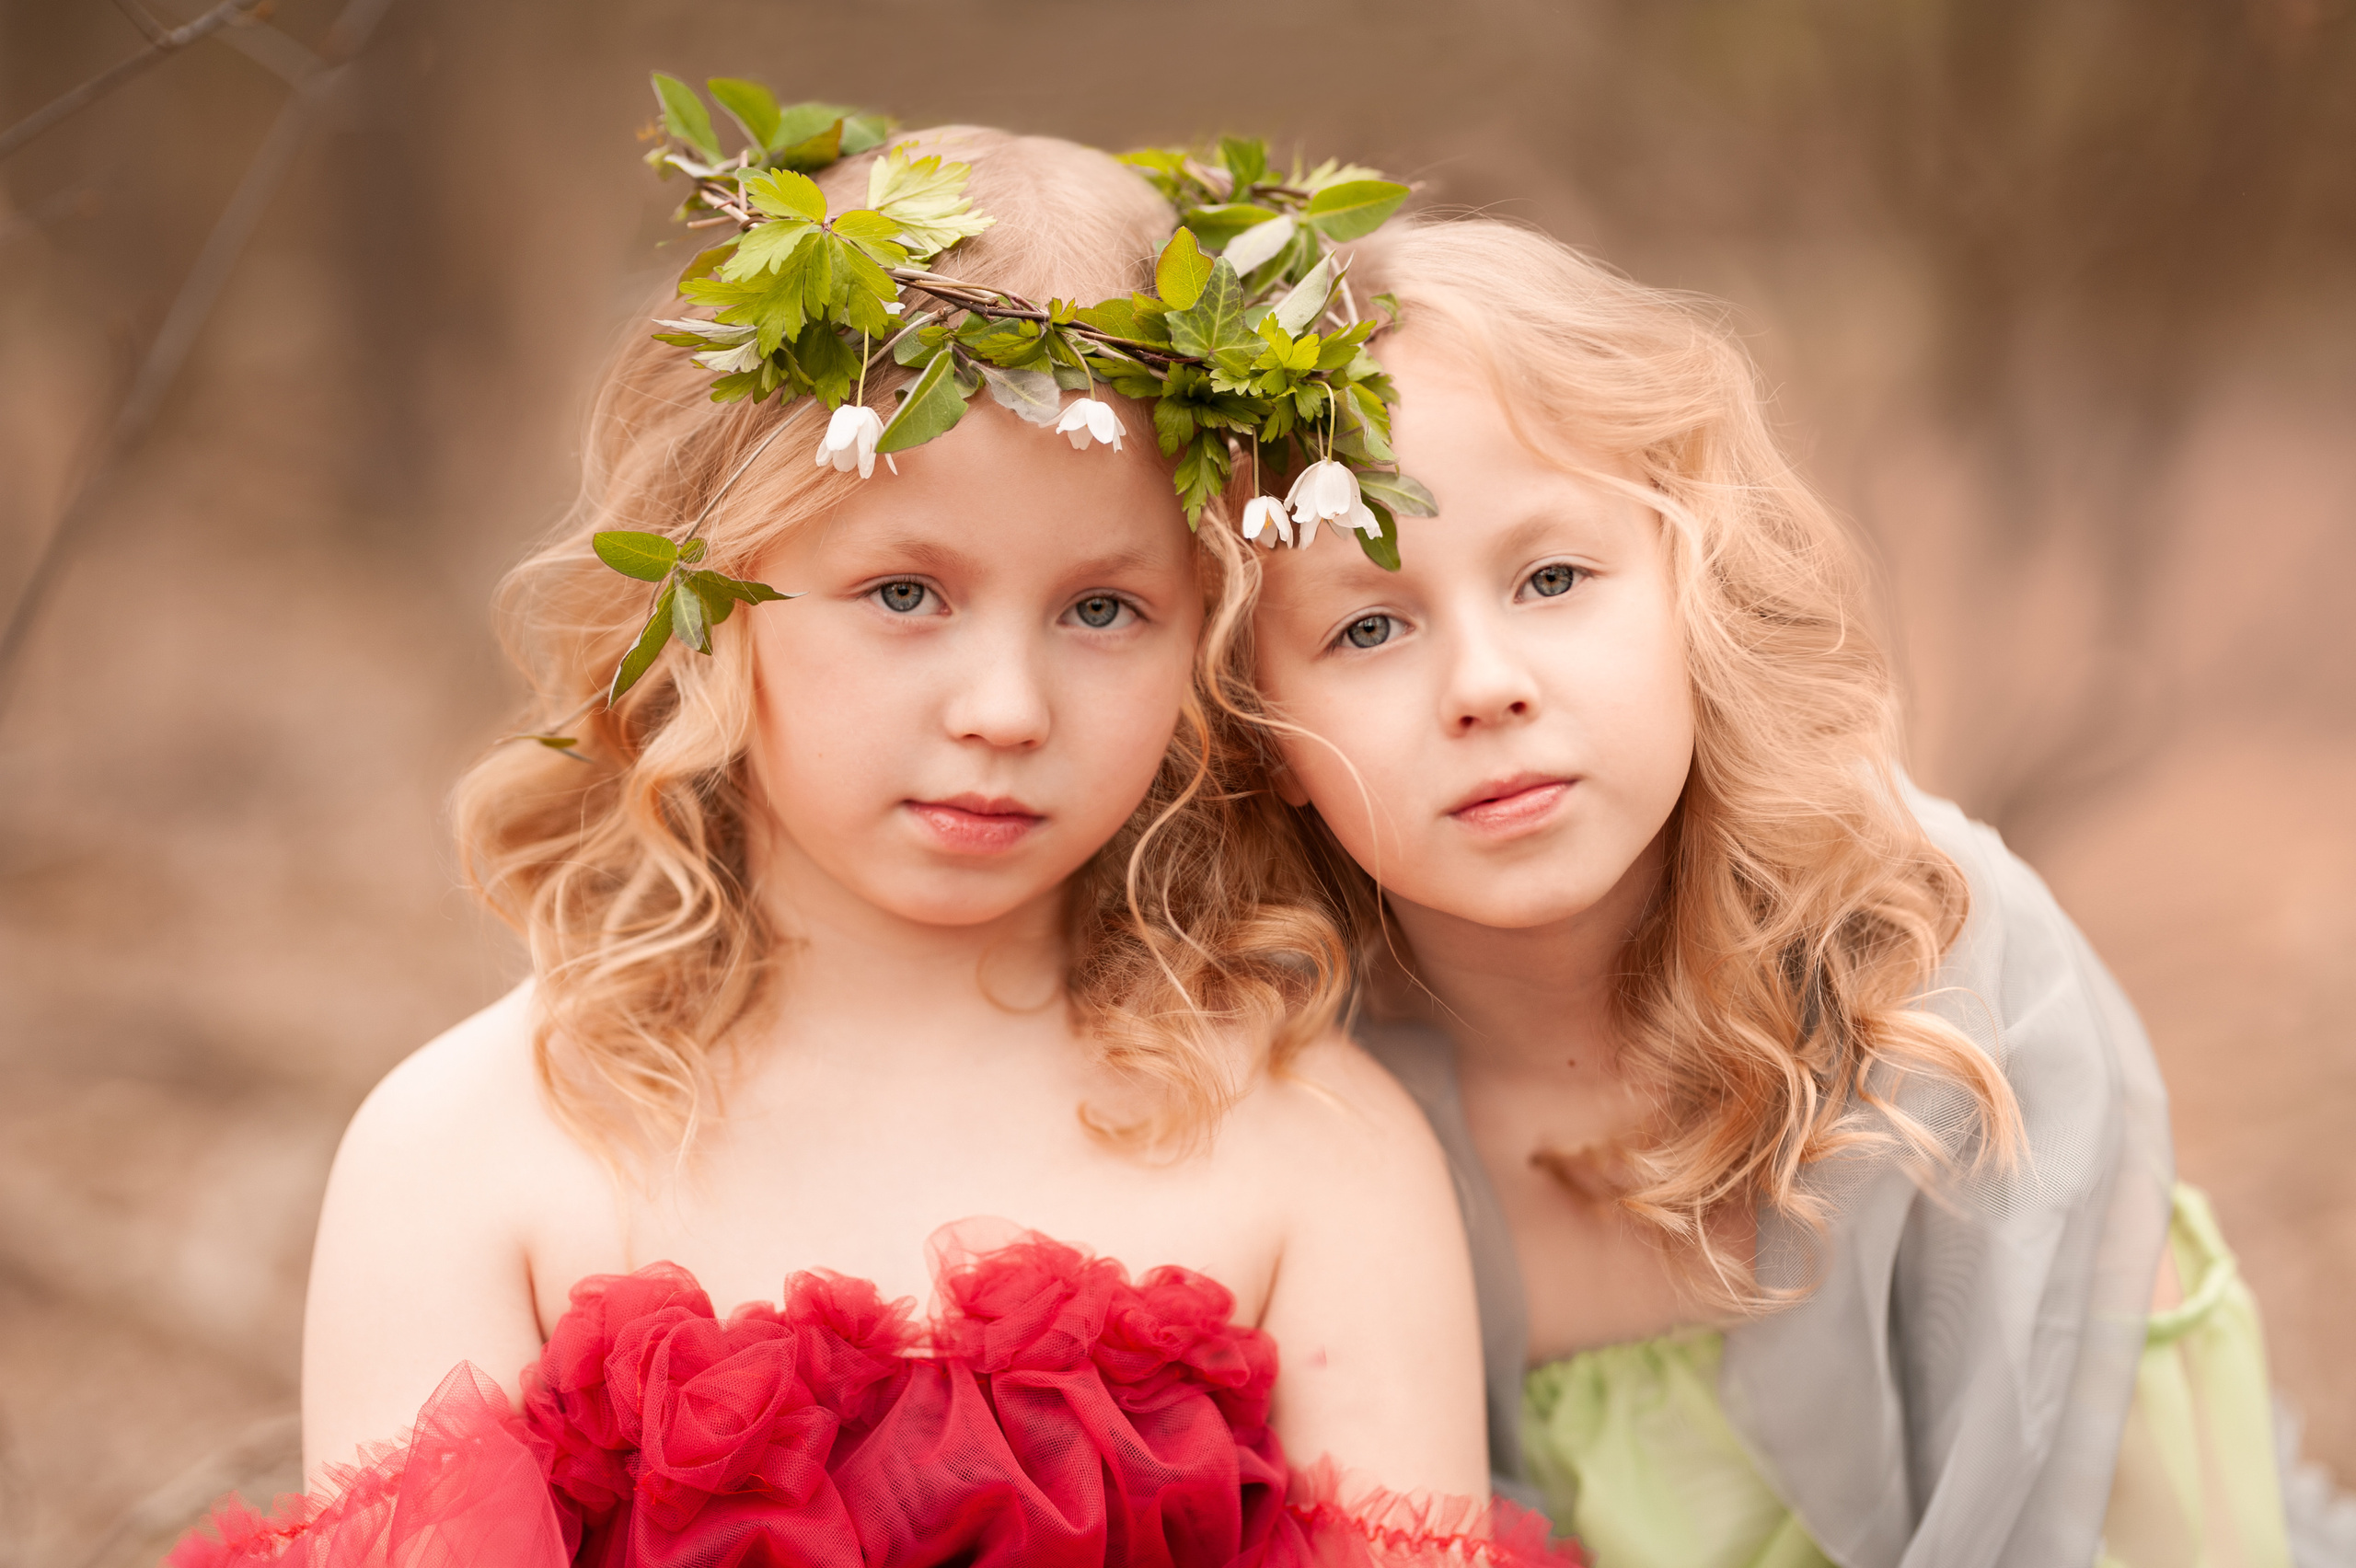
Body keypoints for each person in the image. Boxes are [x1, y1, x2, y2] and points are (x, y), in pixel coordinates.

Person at [168, 129, 1575, 1568]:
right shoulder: (477, 1153)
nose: (1006, 710)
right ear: (712, 589)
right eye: (906, 591)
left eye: (1103, 611)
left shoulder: (1310, 1155)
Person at [1239, 216, 2293, 1568]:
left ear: (1692, 583)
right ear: (1254, 726)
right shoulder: (1287, 1077)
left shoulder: (1935, 962)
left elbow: (2087, 1518)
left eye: (1553, 576)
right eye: (1367, 626)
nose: (1485, 685)